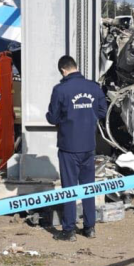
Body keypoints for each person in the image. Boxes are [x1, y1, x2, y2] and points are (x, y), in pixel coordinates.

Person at [46, 55, 107, 242]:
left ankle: (69, 230)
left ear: (63, 70)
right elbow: (102, 111)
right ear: (75, 67)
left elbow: (53, 118)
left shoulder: (60, 89)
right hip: (89, 145)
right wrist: (87, 117)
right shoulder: (93, 87)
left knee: (69, 189)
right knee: (89, 187)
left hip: (68, 146)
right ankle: (90, 228)